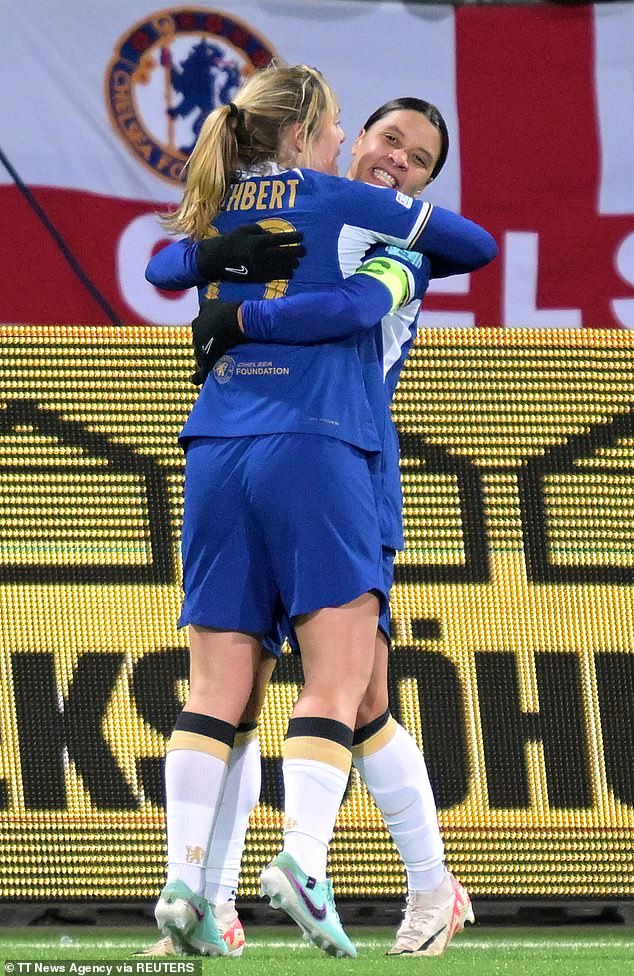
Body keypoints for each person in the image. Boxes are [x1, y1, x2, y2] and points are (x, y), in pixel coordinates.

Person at [146, 65, 496, 959]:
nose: (397, 164)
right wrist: (219, 260)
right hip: (327, 454)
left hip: (300, 453)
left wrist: (236, 311)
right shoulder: (321, 204)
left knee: (320, 692)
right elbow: (176, 257)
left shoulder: (384, 237)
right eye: (386, 141)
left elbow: (344, 304)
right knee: (326, 692)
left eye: (419, 162)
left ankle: (404, 891)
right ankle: (288, 883)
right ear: (343, 134)